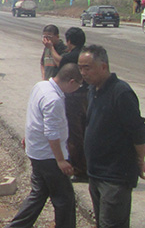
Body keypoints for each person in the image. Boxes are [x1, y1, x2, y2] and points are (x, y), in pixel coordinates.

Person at [79, 45, 145, 227]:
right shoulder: (93, 90)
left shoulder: (121, 92)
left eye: (87, 68)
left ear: (103, 66)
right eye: (80, 68)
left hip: (115, 176)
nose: (83, 73)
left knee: (111, 224)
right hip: (95, 173)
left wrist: (140, 159)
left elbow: (138, 131)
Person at [7, 64, 83, 228]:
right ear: (71, 82)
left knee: (38, 194)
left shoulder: (41, 86)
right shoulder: (53, 100)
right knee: (64, 199)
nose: (77, 89)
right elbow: (52, 133)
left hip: (37, 151)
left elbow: (34, 115)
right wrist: (60, 160)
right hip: (49, 157)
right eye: (78, 85)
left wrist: (29, 137)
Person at [57, 27, 88, 180]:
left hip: (73, 97)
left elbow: (61, 69)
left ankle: (79, 170)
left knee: (74, 135)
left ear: (69, 41)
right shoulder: (87, 55)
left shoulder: (69, 57)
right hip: (89, 96)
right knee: (87, 131)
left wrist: (51, 49)